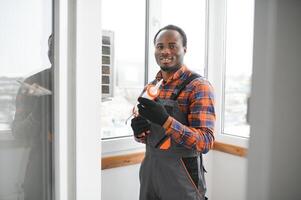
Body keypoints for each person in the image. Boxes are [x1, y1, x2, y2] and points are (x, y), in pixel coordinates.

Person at [131, 25, 215, 200]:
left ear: (184, 48)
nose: (165, 51)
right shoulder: (151, 87)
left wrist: (166, 121)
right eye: (160, 46)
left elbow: (205, 142)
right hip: (150, 172)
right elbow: (148, 137)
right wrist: (139, 131)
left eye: (172, 45)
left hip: (181, 178)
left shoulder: (198, 86)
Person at [12, 34, 54, 200]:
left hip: (78, 164)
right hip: (41, 167)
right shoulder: (33, 83)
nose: (53, 52)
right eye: (51, 47)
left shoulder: (83, 84)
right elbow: (18, 133)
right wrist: (38, 113)